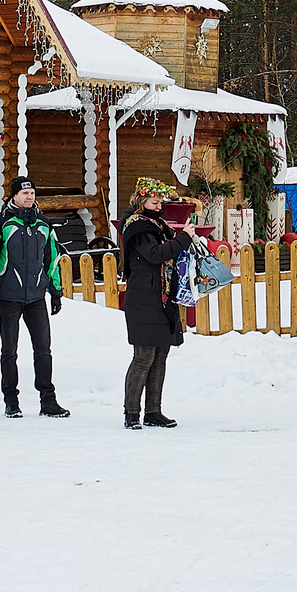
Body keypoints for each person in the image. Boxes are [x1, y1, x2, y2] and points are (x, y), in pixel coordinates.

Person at [0, 175, 68, 419]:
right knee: (9, 350)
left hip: (36, 297)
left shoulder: (43, 223)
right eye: (24, 193)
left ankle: (48, 400)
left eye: (32, 192)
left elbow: (52, 260)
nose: (29, 196)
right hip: (9, 295)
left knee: (43, 349)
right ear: (13, 195)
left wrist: (55, 292)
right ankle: (11, 401)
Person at [117, 179, 188, 430]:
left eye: (160, 202)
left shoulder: (156, 224)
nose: (159, 207)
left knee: (161, 355)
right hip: (143, 297)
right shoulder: (137, 227)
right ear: (141, 201)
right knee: (143, 356)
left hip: (161, 296)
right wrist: (184, 239)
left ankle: (153, 411)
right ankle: (131, 413)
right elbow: (156, 254)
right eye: (154, 202)